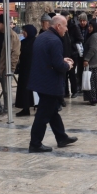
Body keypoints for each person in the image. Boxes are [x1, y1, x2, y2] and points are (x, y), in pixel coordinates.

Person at [28, 15, 78, 153]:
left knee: (53, 111)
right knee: (43, 115)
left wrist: (62, 60)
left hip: (40, 81)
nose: (67, 29)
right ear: (58, 26)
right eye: (65, 26)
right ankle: (35, 143)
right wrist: (67, 65)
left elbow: (47, 58)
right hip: (49, 83)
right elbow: (57, 65)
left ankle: (61, 137)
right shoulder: (55, 40)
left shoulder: (43, 37)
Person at [15, 25, 37, 117]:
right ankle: (25, 108)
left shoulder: (36, 42)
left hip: (34, 69)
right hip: (24, 69)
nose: (23, 33)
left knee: (35, 90)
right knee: (24, 89)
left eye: (25, 31)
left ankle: (38, 106)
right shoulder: (23, 42)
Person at [82, 20, 97, 105]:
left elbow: (92, 49)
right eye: (89, 26)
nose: (89, 28)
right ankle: (95, 97)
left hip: (95, 63)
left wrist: (86, 59)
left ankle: (93, 98)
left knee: (93, 82)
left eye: (91, 27)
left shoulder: (94, 36)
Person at [61, 11, 83, 97]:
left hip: (73, 53)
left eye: (65, 17)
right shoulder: (61, 26)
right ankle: (66, 91)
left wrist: (71, 44)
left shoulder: (74, 26)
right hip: (64, 53)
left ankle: (75, 90)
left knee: (72, 73)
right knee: (64, 73)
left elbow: (80, 39)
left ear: (68, 17)